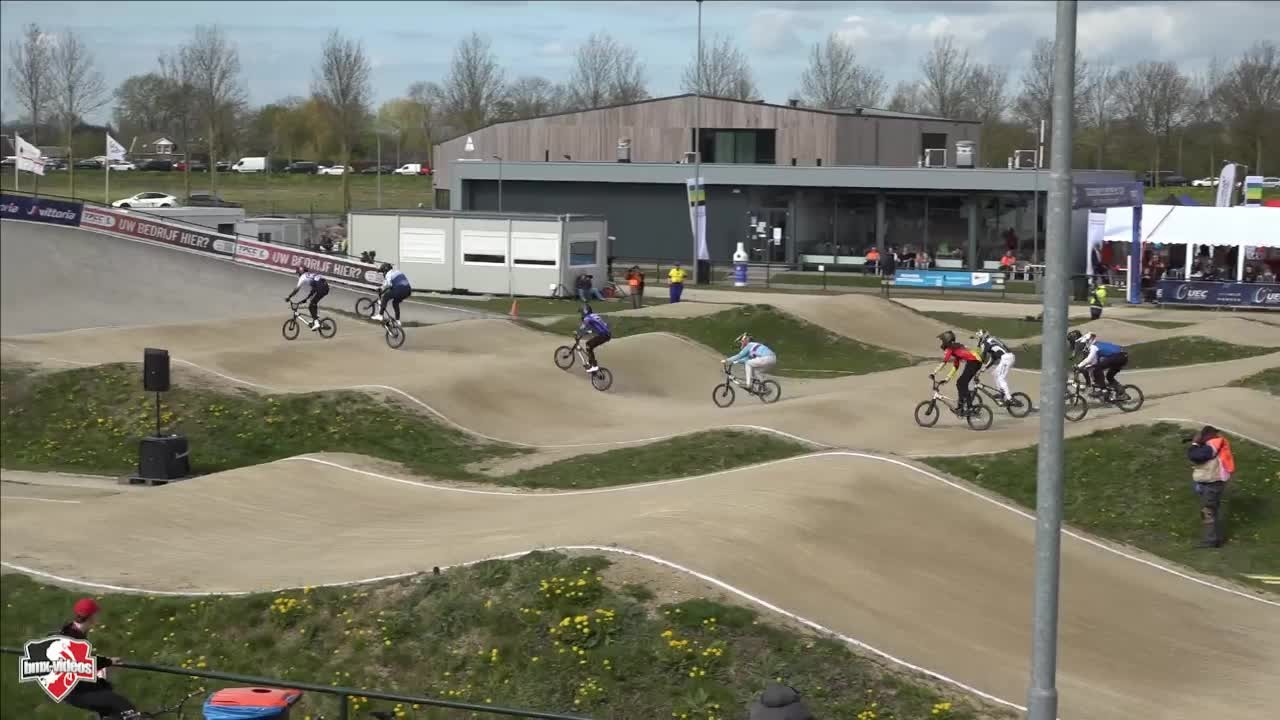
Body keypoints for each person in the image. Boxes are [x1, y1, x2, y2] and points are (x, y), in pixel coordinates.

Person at [58, 598, 136, 718]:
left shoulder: (70, 631)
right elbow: (84, 662)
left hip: (73, 687)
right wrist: (108, 662)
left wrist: (103, 663)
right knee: (124, 707)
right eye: (96, 614)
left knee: (110, 699)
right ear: (91, 617)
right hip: (75, 692)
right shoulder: (75, 638)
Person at [1187, 425, 1235, 548]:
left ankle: (1211, 540)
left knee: (1207, 511)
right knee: (1211, 511)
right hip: (1214, 482)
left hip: (1213, 483)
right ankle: (1216, 537)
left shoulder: (1213, 444)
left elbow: (1195, 455)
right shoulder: (1214, 443)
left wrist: (1195, 444)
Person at [931, 330, 981, 414]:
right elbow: (956, 366)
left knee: (962, 383)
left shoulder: (951, 348)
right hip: (975, 362)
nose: (942, 343)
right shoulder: (956, 349)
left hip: (974, 362)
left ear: (947, 340)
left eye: (943, 340)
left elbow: (944, 362)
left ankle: (969, 407)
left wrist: (934, 373)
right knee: (960, 383)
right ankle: (960, 407)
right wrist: (947, 379)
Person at [1069, 330, 1128, 396]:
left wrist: (1078, 366)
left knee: (1097, 368)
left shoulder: (1094, 346)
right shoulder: (1096, 345)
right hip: (1122, 356)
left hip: (1118, 356)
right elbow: (1093, 361)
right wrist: (1085, 366)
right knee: (1109, 377)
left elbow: (1089, 359)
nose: (1085, 344)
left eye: (1085, 343)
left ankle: (1104, 390)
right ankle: (1121, 392)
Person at [974, 329, 1016, 405]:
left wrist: (977, 367)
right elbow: (993, 358)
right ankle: (1001, 394)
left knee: (1001, 378)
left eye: (980, 338)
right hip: (1007, 357)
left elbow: (983, 357)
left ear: (983, 337)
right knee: (995, 374)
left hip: (1006, 358)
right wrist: (984, 368)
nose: (979, 340)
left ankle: (1009, 398)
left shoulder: (987, 342)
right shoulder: (991, 340)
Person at [575, 305, 611, 372]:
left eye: (581, 312)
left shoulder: (587, 318)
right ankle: (590, 362)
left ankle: (594, 366)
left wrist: (577, 333)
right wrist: (589, 331)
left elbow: (583, 327)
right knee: (589, 345)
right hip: (607, 334)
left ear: (585, 311)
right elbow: (599, 325)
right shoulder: (595, 315)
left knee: (588, 345)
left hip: (603, 335)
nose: (581, 314)